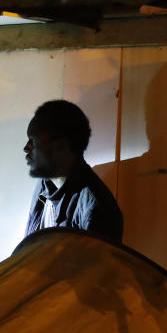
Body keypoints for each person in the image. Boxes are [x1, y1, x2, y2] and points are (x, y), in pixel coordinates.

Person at [24, 100, 123, 242]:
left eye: (33, 141)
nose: (26, 148)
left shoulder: (97, 209)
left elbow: (92, 264)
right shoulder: (44, 183)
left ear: (60, 147)